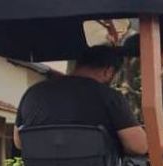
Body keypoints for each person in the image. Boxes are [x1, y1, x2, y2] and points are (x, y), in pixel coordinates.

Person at [14, 45, 148, 156]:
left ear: (78, 64)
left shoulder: (33, 93)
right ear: (108, 71)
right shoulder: (109, 97)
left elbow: (19, 142)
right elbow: (139, 147)